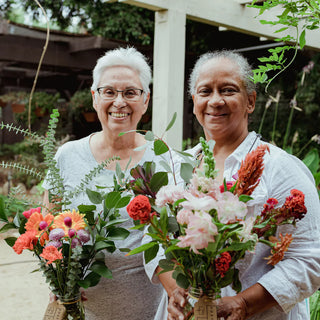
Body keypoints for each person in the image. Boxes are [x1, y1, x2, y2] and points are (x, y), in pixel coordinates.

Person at [167, 50, 320, 320]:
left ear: (250, 101)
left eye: (227, 90)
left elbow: (310, 259)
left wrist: (244, 304)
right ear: (194, 102)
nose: (215, 101)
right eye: (205, 91)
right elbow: (153, 240)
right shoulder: (178, 166)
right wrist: (174, 291)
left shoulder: (280, 168)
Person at [42, 47, 169, 320]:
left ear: (145, 101)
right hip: (83, 313)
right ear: (94, 98)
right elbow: (46, 227)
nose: (119, 102)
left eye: (130, 93)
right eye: (109, 92)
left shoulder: (162, 159)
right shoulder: (67, 156)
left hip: (153, 313)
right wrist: (58, 279)